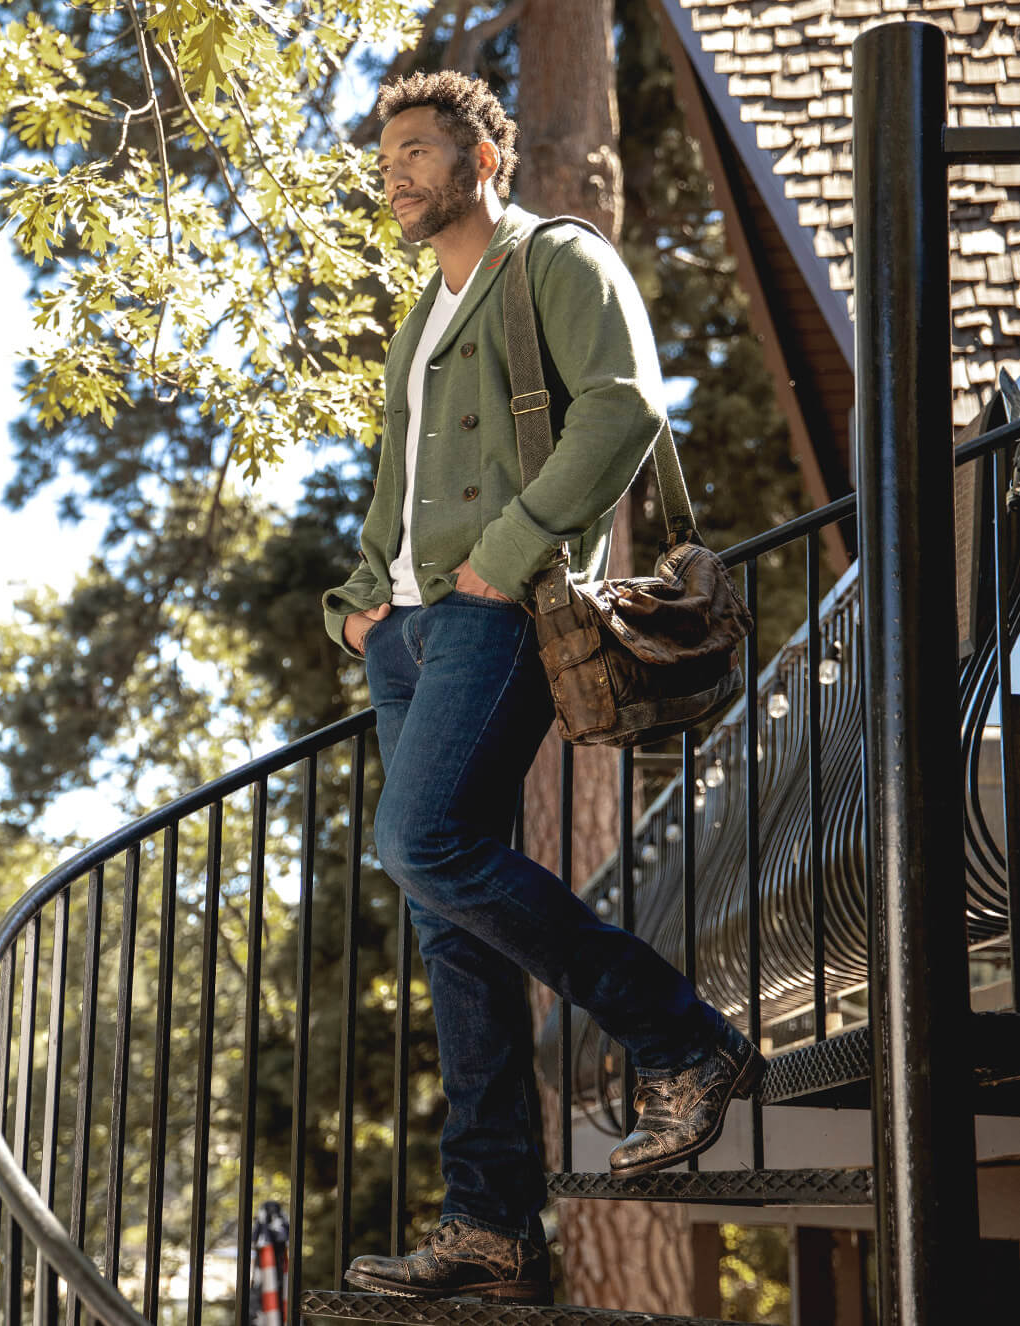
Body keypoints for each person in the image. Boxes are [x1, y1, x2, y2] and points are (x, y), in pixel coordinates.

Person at [321, 70, 763, 1307]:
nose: (396, 173)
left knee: (420, 843)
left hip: (497, 612)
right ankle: (491, 1229)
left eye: (419, 150)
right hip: (405, 632)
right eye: (387, 157)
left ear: (485, 160)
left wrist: (503, 563)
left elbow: (621, 412)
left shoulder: (555, 259)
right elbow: (388, 489)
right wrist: (355, 607)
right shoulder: (421, 314)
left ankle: (684, 1041)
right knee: (446, 922)